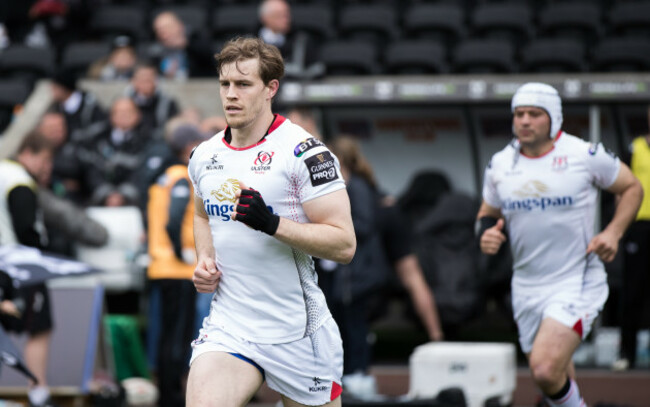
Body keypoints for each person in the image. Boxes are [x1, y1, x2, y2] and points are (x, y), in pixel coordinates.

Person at [186, 37, 355, 407]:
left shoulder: (305, 153)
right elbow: (201, 213)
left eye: (243, 84)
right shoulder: (204, 155)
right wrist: (204, 259)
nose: (231, 94)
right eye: (225, 84)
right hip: (230, 327)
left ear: (270, 89)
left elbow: (344, 245)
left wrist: (271, 223)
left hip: (298, 332)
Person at [477, 82, 643, 407]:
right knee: (558, 378)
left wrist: (613, 233)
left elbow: (632, 188)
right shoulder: (500, 164)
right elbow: (486, 213)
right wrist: (485, 234)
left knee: (544, 369)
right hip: (525, 286)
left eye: (534, 114)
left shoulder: (584, 154)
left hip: (575, 280)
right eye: (519, 114)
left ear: (553, 118)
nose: (524, 121)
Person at [147, 124, 205, 407]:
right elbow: (172, 219)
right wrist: (181, 252)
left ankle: (165, 393)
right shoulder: (182, 177)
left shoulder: (164, 177)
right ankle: (170, 397)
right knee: (177, 337)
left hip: (161, 266)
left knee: (167, 333)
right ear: (187, 146)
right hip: (177, 268)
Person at [0, 130, 58, 407]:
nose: (46, 167)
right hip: (17, 263)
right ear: (29, 153)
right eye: (45, 160)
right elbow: (25, 227)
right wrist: (40, 253)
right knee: (39, 326)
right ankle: (38, 391)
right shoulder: (19, 180)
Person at [613, 105, 650, 371]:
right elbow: (620, 188)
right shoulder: (635, 147)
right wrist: (619, 225)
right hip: (639, 226)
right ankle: (627, 354)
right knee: (633, 292)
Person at [258, 0, 324, 79]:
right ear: (265, 18)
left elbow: (317, 68)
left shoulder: (302, 41)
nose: (286, 20)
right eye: (279, 15)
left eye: (286, 15)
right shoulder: (250, 42)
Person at [148, 11, 215, 80]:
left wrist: (186, 45)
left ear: (180, 26)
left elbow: (210, 60)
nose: (163, 33)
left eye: (167, 27)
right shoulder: (155, 52)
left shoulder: (197, 39)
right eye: (158, 30)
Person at [124, 63, 180, 140]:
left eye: (149, 79)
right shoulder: (123, 102)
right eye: (142, 78)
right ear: (133, 81)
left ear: (156, 81)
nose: (145, 83)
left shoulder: (167, 103)